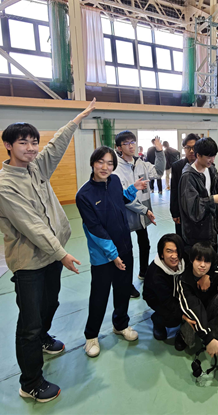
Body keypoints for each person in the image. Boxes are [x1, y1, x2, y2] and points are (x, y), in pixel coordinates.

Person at [0, 99, 95, 403]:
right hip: (28, 263)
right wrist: (62, 253)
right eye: (23, 142)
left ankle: (43, 338)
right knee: (29, 323)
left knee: (50, 303)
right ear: (8, 145)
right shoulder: (3, 185)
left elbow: (54, 147)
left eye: (33, 142)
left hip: (50, 256)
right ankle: (30, 382)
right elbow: (32, 226)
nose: (31, 148)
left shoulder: (35, 167)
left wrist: (75, 122)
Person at [76, 146, 149, 359]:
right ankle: (91, 336)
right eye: (100, 162)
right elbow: (95, 229)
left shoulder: (115, 181)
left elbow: (120, 199)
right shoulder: (84, 195)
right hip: (103, 256)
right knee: (99, 295)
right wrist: (113, 255)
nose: (105, 167)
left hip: (124, 248)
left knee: (122, 289)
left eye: (109, 163)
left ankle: (120, 325)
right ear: (92, 163)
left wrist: (133, 189)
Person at [114, 131, 165, 291]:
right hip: (125, 215)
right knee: (126, 251)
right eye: (126, 143)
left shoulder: (141, 163)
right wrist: (143, 209)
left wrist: (159, 152)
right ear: (119, 147)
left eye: (133, 142)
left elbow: (159, 172)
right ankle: (126, 284)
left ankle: (144, 272)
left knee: (145, 243)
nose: (131, 146)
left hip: (142, 215)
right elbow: (123, 196)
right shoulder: (116, 168)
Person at [176, 242, 218, 357]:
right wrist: (208, 338)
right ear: (191, 260)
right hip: (194, 314)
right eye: (198, 260)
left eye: (207, 261)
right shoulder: (184, 280)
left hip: (211, 310)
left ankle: (216, 332)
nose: (202, 265)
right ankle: (184, 333)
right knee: (189, 340)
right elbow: (193, 308)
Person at [178, 137, 218, 253]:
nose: (212, 160)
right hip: (196, 231)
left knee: (212, 256)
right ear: (198, 155)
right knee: (199, 259)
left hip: (211, 226)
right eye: (208, 156)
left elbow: (212, 189)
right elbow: (191, 207)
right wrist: (212, 200)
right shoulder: (188, 176)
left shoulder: (210, 169)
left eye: (214, 156)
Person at [143, 234, 187, 350]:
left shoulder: (185, 260)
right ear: (161, 254)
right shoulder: (156, 274)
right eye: (169, 251)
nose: (174, 256)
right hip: (159, 299)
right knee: (173, 318)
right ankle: (157, 320)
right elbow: (168, 302)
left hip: (178, 293)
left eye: (177, 251)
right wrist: (185, 316)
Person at [170, 133, 199, 236]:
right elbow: (174, 190)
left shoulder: (206, 165)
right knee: (182, 239)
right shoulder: (177, 166)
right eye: (188, 147)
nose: (191, 151)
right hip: (182, 210)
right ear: (184, 149)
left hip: (200, 209)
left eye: (194, 147)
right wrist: (175, 212)